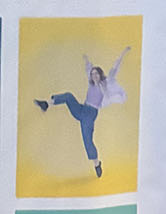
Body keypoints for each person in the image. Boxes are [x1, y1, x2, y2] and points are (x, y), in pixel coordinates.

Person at [34, 47, 130, 180]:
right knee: (68, 96)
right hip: (81, 109)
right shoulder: (91, 84)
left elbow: (115, 69)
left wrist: (123, 53)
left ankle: (97, 164)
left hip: (90, 114)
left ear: (100, 75)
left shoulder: (105, 84)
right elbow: (87, 68)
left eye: (96, 73)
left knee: (87, 141)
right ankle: (46, 104)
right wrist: (86, 59)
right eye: (93, 74)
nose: (94, 76)